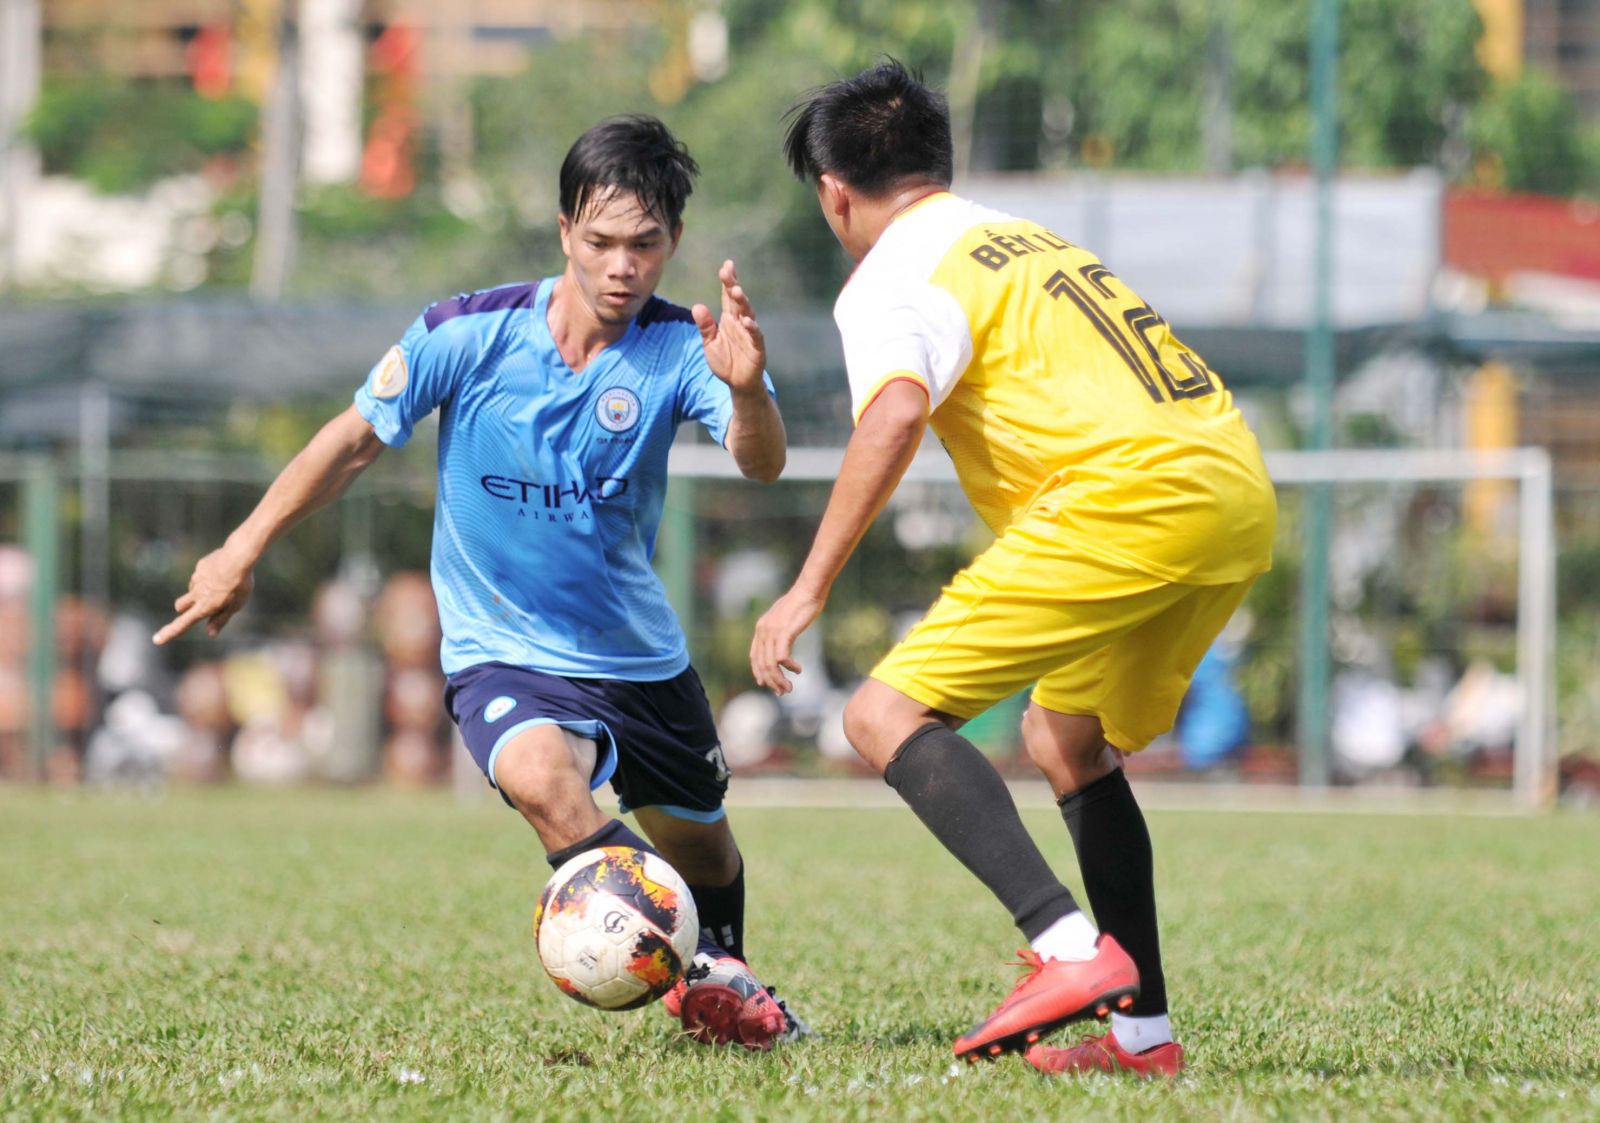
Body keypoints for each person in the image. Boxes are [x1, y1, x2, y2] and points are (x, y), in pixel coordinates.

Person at [155, 115, 807, 1051]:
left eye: (645, 244)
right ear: (563, 230)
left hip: (637, 658)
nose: (622, 266)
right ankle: (709, 979)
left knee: (700, 841)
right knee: (543, 781)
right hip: (501, 648)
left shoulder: (682, 346)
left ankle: (725, 963)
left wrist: (745, 389)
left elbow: (761, 462)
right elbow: (353, 440)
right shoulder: (468, 332)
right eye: (601, 241)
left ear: (674, 239)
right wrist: (241, 547)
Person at [753, 62, 1276, 1077]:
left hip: (1126, 498)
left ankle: (1068, 948)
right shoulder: (1022, 237)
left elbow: (894, 414)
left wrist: (806, 586)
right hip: (1231, 485)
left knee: (880, 714)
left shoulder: (892, 273)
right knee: (1065, 736)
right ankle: (1142, 1039)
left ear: (833, 192)